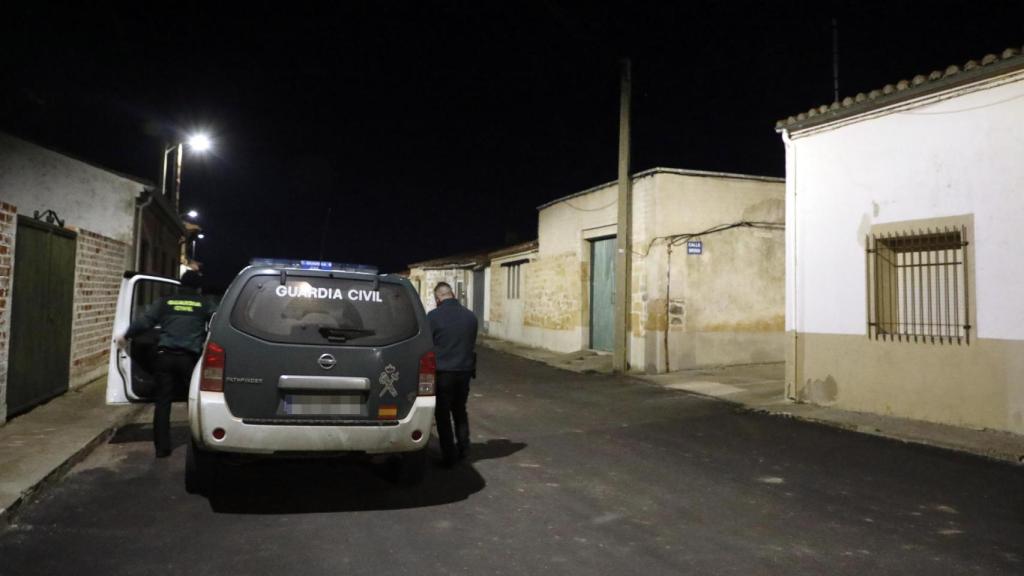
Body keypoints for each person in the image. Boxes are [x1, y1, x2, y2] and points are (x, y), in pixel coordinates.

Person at [117, 270, 213, 458]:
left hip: (165, 358)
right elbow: (217, 322)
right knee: (194, 403)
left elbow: (144, 322)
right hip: (189, 361)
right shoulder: (203, 304)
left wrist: (125, 336)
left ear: (181, 285)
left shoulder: (166, 302)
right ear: (198, 287)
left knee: (163, 403)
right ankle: (198, 444)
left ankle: (162, 448)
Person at [426, 281, 478, 467]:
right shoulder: (470, 317)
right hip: (464, 371)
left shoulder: (433, 317)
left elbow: (427, 345)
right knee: (460, 411)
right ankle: (464, 449)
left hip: (443, 373)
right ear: (452, 294)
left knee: (442, 415)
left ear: (438, 297)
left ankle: (449, 456)